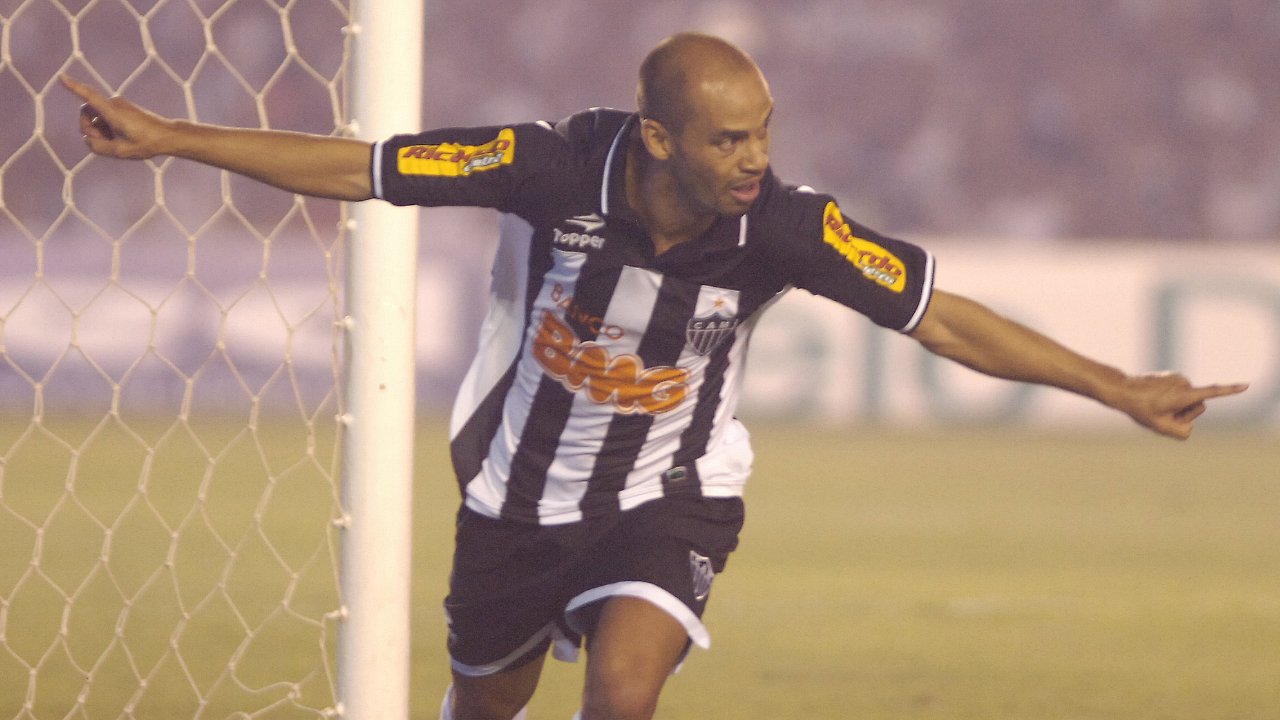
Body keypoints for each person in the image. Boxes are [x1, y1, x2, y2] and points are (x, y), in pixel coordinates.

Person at [63, 31, 1247, 720]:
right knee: (485, 703)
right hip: (516, 501)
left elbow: (942, 318)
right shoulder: (544, 165)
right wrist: (176, 136)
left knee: (624, 690)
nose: (757, 161)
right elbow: (361, 167)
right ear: (663, 136)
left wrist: (1117, 387)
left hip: (666, 492)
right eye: (730, 141)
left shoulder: (783, 226)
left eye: (765, 133)